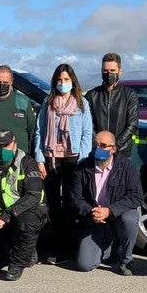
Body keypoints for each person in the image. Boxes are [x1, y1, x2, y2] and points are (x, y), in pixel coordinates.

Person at [34, 63, 92, 265]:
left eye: (66, 80)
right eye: (59, 80)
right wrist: (40, 159)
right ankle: (57, 245)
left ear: (72, 81)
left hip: (73, 158)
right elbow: (40, 132)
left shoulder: (81, 103)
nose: (62, 83)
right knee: (54, 204)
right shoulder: (48, 102)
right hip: (51, 157)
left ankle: (68, 248)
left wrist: (82, 160)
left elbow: (86, 133)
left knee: (70, 202)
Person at [0, 130, 47, 281]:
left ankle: (18, 263)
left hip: (24, 213)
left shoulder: (28, 163)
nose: (2, 149)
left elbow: (33, 196)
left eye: (6, 145)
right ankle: (23, 251)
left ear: (15, 144)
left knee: (27, 223)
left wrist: (6, 216)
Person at [70, 131, 142, 275]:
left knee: (130, 219)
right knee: (85, 265)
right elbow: (75, 199)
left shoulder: (127, 166)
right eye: (96, 145)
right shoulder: (83, 167)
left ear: (113, 149)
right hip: (95, 220)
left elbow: (136, 196)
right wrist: (92, 212)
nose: (98, 148)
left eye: (103, 145)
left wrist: (110, 210)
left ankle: (126, 260)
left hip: (118, 216)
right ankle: (110, 249)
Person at [84, 53, 138, 158]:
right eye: (105, 71)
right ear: (101, 71)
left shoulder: (130, 95)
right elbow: (88, 125)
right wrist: (99, 144)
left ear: (120, 71)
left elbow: (132, 125)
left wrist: (115, 145)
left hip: (122, 151)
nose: (109, 74)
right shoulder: (92, 95)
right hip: (98, 150)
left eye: (112, 71)